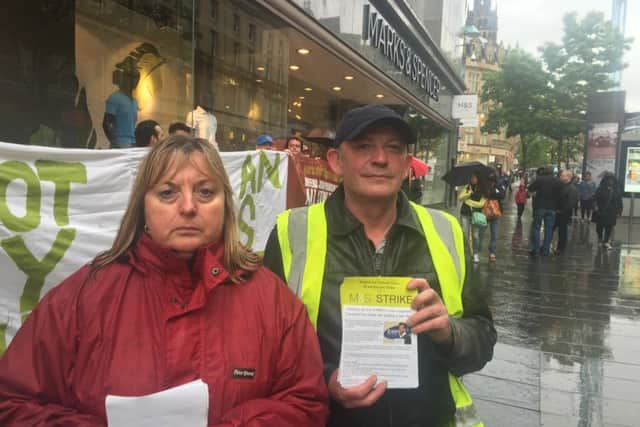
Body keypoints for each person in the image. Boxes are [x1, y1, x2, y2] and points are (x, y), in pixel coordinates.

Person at [0, 135, 329, 426]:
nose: (188, 207)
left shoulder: (273, 301)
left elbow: (306, 402)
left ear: (225, 205)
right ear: (143, 206)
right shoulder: (82, 297)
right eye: (168, 193)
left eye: (205, 192)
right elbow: (12, 403)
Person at [263, 104, 496, 427]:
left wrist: (449, 333)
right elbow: (265, 347)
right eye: (363, 147)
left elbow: (482, 338)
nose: (381, 158)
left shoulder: (445, 232)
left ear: (406, 165)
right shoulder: (292, 233)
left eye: (394, 148)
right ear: (336, 161)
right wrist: (326, 379)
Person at [528, 167, 561, 256]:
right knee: (549, 229)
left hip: (540, 206)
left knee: (536, 227)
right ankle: (545, 249)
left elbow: (530, 188)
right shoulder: (557, 181)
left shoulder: (540, 180)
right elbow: (560, 194)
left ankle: (536, 248)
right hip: (552, 208)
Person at [458, 172, 489, 263]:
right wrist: (469, 195)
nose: (473, 179)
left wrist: (468, 201)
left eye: (474, 177)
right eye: (471, 178)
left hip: (476, 216)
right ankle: (466, 253)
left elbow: (481, 204)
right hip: (465, 214)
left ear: (478, 178)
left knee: (475, 236)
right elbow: (460, 198)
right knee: (465, 235)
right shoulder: (468, 187)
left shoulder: (482, 189)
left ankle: (475, 254)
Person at [594, 173, 623, 250]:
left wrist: (619, 211)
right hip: (601, 211)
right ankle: (600, 238)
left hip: (612, 211)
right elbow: (595, 198)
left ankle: (606, 241)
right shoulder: (600, 189)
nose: (611, 181)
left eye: (612, 179)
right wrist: (595, 206)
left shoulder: (617, 190)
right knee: (599, 227)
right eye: (609, 179)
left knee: (609, 227)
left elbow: (619, 201)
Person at [553, 170, 578, 255]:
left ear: (568, 177)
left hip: (563, 213)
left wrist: (563, 210)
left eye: (562, 176)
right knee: (552, 229)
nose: (560, 177)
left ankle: (560, 248)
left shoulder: (572, 188)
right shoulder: (561, 186)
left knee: (562, 231)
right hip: (557, 211)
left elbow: (571, 202)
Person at [487, 169, 506, 262]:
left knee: (494, 234)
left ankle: (492, 252)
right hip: (485, 212)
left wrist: (492, 193)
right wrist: (494, 193)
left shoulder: (499, 184)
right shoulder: (485, 184)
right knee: (479, 233)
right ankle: (476, 251)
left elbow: (502, 195)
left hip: (496, 212)